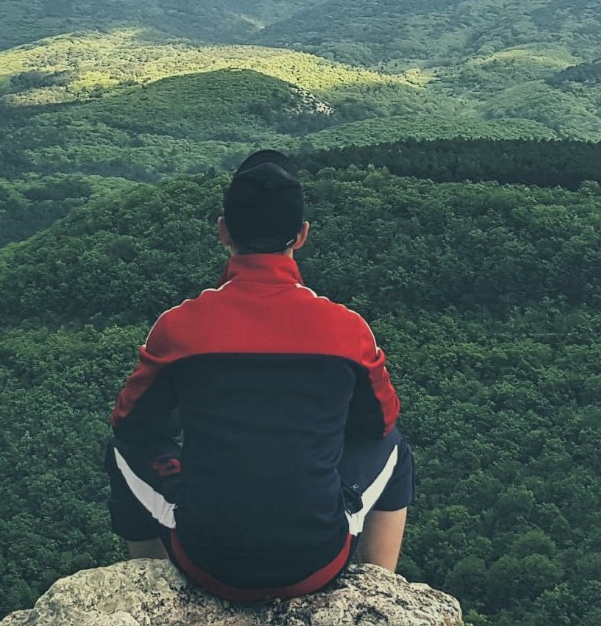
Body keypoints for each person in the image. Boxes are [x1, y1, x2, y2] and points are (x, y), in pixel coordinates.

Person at [104, 149, 414, 601]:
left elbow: (130, 425)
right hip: (318, 561)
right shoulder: (348, 331)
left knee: (122, 450)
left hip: (205, 561)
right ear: (302, 235)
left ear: (223, 230)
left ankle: (152, 592)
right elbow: (378, 425)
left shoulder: (180, 327)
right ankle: (377, 594)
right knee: (395, 447)